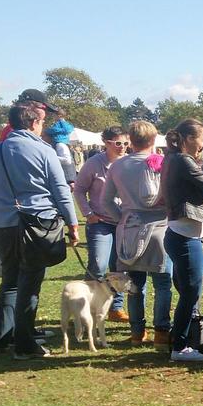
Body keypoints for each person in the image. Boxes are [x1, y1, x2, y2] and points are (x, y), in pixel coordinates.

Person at [0, 101, 80, 359]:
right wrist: (72, 222)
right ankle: (25, 345)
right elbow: (60, 189)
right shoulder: (43, 150)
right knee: (30, 283)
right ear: (34, 123)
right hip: (36, 221)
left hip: (3, 223)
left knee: (10, 282)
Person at [102, 120, 174, 350]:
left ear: (130, 140)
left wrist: (121, 218)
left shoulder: (117, 166)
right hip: (159, 228)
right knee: (163, 284)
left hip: (130, 229)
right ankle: (161, 333)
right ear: (153, 140)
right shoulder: (163, 164)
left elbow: (105, 202)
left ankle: (136, 332)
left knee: (134, 286)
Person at [160, 119, 203, 362]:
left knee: (188, 291)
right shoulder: (182, 160)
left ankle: (180, 341)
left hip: (180, 233)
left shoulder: (173, 159)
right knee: (190, 292)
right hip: (185, 236)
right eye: (201, 138)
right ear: (187, 139)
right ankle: (180, 347)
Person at [74, 125, 130, 323]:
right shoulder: (94, 163)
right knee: (98, 264)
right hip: (100, 222)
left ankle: (116, 308)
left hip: (124, 223)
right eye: (118, 143)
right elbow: (79, 190)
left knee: (120, 267)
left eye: (126, 142)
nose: (123, 147)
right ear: (106, 143)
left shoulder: (128, 163)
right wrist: (88, 214)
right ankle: (86, 308)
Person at [43, 114, 77, 186]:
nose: (43, 138)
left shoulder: (60, 145)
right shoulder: (53, 146)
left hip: (66, 180)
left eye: (44, 136)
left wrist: (51, 157)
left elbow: (67, 160)